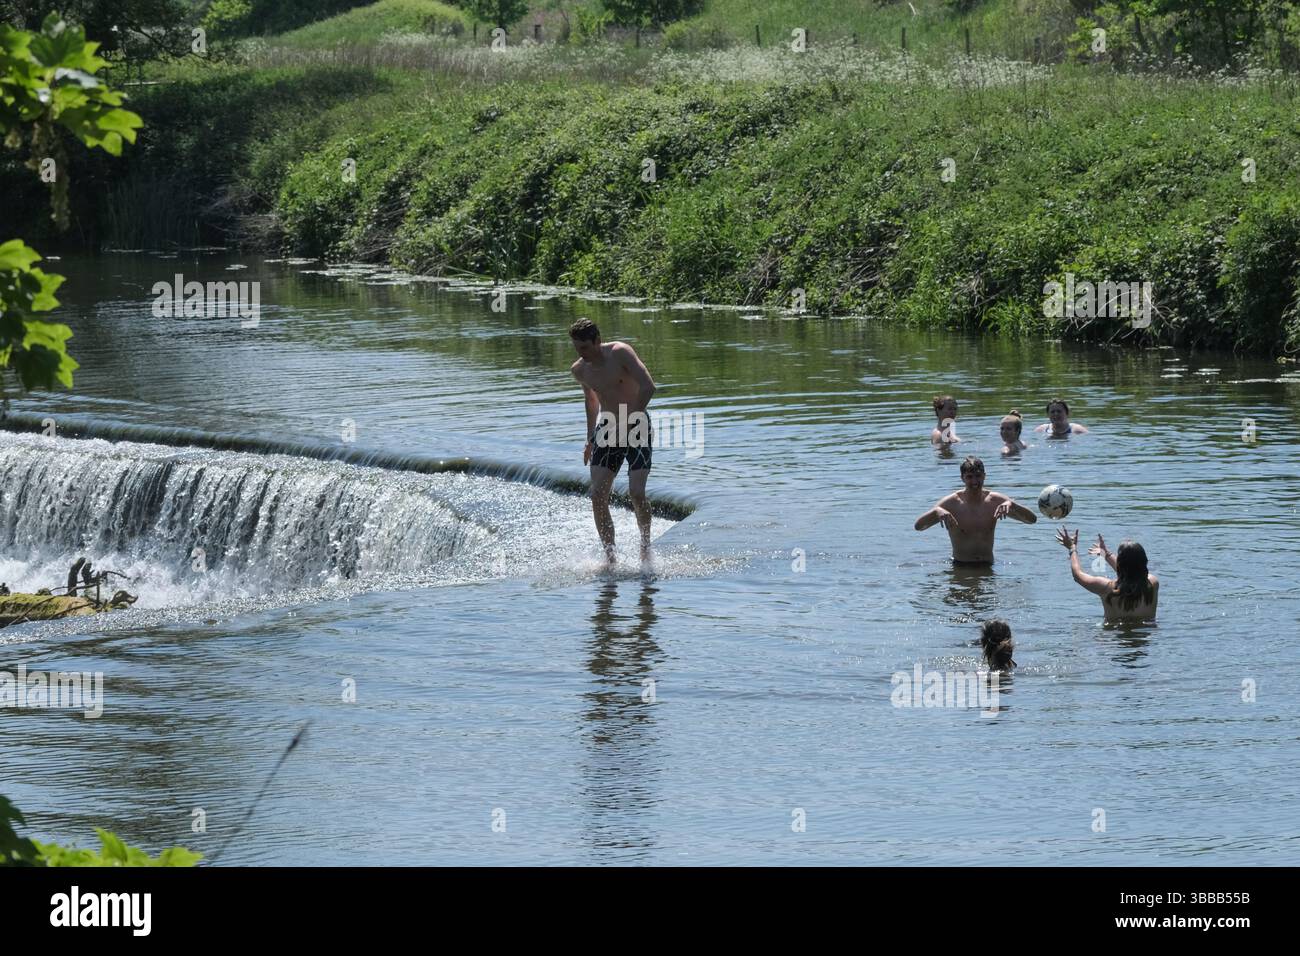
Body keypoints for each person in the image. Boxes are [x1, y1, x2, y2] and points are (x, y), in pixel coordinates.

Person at [569, 318, 657, 565]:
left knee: (636, 493)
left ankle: (645, 546)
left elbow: (648, 387)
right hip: (607, 429)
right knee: (597, 495)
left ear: (597, 340)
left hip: (636, 425)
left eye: (585, 347)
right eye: (577, 348)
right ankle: (610, 557)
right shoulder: (580, 370)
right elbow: (592, 401)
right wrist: (589, 439)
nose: (581, 354)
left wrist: (630, 420)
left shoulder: (620, 353)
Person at [914, 456, 1038, 563]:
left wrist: (1013, 505)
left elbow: (1032, 520)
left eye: (978, 476)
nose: (974, 481)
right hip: (961, 566)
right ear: (962, 478)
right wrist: (936, 512)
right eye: (969, 477)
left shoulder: (995, 501)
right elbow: (919, 526)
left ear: (984, 476)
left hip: (988, 567)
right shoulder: (950, 504)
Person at [1054, 529, 1159, 622]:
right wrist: (1106, 554)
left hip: (1115, 642)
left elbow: (1077, 574)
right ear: (1144, 561)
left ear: (1120, 564)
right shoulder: (1153, 584)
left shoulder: (1107, 588)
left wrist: (1072, 548)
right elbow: (1130, 570)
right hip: (1145, 641)